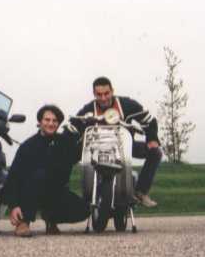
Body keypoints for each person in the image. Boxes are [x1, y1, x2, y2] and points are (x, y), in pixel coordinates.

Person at [69, 76, 162, 207]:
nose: (103, 98)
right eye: (99, 94)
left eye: (106, 93)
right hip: (96, 147)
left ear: (112, 91)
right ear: (94, 94)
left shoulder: (127, 104)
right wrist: (68, 140)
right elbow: (74, 124)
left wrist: (152, 139)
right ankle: (70, 193)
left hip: (124, 145)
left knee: (156, 152)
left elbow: (149, 120)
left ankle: (141, 192)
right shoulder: (89, 109)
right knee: (66, 155)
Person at [4, 105, 89, 237]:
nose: (51, 123)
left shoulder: (64, 142)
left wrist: (83, 134)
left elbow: (78, 155)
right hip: (29, 193)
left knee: (84, 210)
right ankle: (24, 222)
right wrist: (13, 205)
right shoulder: (28, 146)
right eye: (47, 120)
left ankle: (51, 219)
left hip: (54, 192)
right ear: (40, 122)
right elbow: (13, 178)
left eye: (55, 121)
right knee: (39, 175)